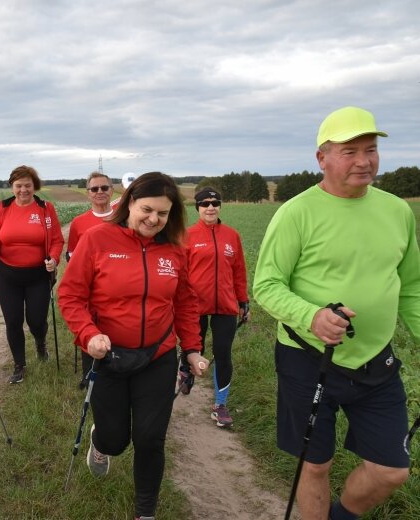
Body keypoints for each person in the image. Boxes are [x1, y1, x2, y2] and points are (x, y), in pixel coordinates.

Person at [253, 106, 420, 520]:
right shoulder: (296, 213)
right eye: (349, 151)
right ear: (321, 158)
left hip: (376, 360)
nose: (364, 161)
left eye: (371, 149)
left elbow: (412, 287)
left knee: (392, 471)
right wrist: (311, 316)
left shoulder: (397, 211)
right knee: (315, 464)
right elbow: (267, 285)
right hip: (307, 359)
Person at [58, 171, 208, 520]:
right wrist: (88, 333)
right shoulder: (97, 240)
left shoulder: (174, 250)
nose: (154, 219)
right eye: (147, 209)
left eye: (163, 213)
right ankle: (101, 443)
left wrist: (192, 349)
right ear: (129, 204)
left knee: (151, 438)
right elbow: (70, 294)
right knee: (116, 440)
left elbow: (185, 303)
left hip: (157, 357)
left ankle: (145, 512)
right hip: (105, 356)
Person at [0, 165, 64, 384]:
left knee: (36, 320)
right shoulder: (3, 208)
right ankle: (20, 365)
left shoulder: (45, 208)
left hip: (38, 275)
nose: (23, 190)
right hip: (9, 275)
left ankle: (40, 343)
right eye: (18, 185)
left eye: (27, 185)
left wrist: (54, 259)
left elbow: (57, 239)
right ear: (12, 186)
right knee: (13, 321)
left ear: (34, 185)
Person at [179, 187, 249, 427]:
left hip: (225, 305)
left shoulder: (232, 235)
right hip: (195, 304)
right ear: (197, 207)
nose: (210, 207)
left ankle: (220, 405)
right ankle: (186, 370)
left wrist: (243, 301)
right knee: (193, 346)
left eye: (215, 203)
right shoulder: (187, 236)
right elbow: (180, 273)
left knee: (223, 353)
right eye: (205, 203)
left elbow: (239, 271)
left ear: (220, 206)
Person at [66, 172, 114, 387]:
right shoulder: (78, 223)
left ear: (112, 190)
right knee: (88, 327)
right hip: (89, 288)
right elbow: (71, 255)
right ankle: (88, 375)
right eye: (94, 189)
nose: (100, 192)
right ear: (88, 194)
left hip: (115, 286)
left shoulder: (123, 217)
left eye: (104, 188)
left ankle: (113, 370)